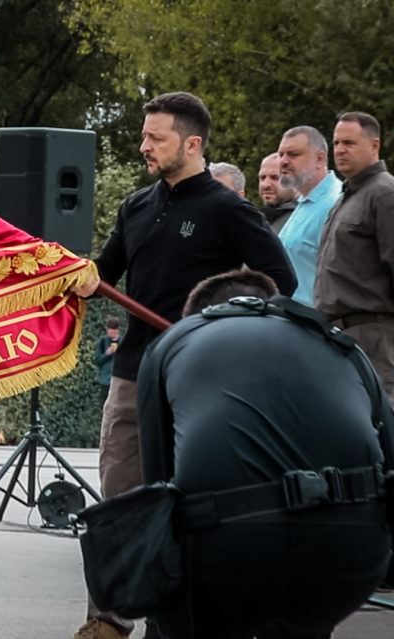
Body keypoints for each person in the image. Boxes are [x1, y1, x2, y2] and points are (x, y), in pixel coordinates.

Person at [76, 91, 296, 639]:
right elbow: (104, 270)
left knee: (191, 499)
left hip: (198, 378)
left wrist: (220, 324)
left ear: (192, 143)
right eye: (145, 134)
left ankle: (179, 621)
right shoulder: (135, 205)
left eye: (156, 137)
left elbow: (279, 282)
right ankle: (107, 619)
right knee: (121, 496)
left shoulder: (228, 210)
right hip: (132, 374)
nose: (144, 145)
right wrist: (77, 273)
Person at [136, 270, 391, 638]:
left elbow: (157, 491)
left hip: (226, 554)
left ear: (195, 316)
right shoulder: (341, 346)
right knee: (308, 609)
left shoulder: (172, 343)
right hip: (350, 558)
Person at [316, 111, 394, 401]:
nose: (340, 150)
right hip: (339, 334)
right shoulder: (347, 197)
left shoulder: (384, 194)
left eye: (348, 142)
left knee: (382, 420)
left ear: (374, 146)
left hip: (373, 334)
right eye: (336, 143)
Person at [276, 126, 343, 306]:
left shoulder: (334, 203)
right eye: (281, 154)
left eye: (293, 154)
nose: (283, 161)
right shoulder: (305, 201)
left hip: (319, 325)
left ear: (319, 159)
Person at [257, 152, 298, 233]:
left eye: (275, 178)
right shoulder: (256, 218)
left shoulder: (305, 216)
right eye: (262, 178)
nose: (266, 184)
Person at [93, 317, 121, 406]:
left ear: (118, 330)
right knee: (106, 406)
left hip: (118, 380)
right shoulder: (102, 342)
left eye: (114, 332)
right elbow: (97, 361)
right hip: (105, 381)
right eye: (110, 332)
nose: (112, 334)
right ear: (107, 330)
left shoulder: (123, 341)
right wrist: (107, 354)